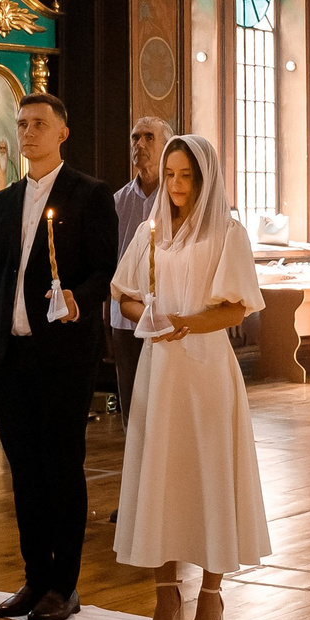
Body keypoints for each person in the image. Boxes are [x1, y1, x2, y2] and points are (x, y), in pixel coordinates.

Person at [110, 135, 270, 620]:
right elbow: (125, 296)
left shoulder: (227, 234)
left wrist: (185, 320)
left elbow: (236, 309)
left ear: (204, 179)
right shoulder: (150, 232)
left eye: (186, 176)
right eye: (171, 174)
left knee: (208, 475)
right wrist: (150, 315)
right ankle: (165, 596)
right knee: (161, 473)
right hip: (160, 367)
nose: (176, 186)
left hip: (205, 368)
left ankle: (210, 599)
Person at [0, 92, 119, 620]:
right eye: (22, 124)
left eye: (38, 125)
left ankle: (65, 585)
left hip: (63, 357)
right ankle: (34, 579)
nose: (27, 133)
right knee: (24, 473)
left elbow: (106, 269)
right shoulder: (5, 201)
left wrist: (80, 296)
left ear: (62, 134)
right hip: (13, 357)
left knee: (61, 469)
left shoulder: (90, 195)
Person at [109, 116, 171, 421]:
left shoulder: (178, 197)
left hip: (168, 311)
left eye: (149, 137)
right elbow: (111, 260)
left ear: (167, 146)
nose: (140, 144)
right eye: (135, 138)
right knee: (132, 396)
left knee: (165, 396)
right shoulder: (118, 201)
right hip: (125, 316)